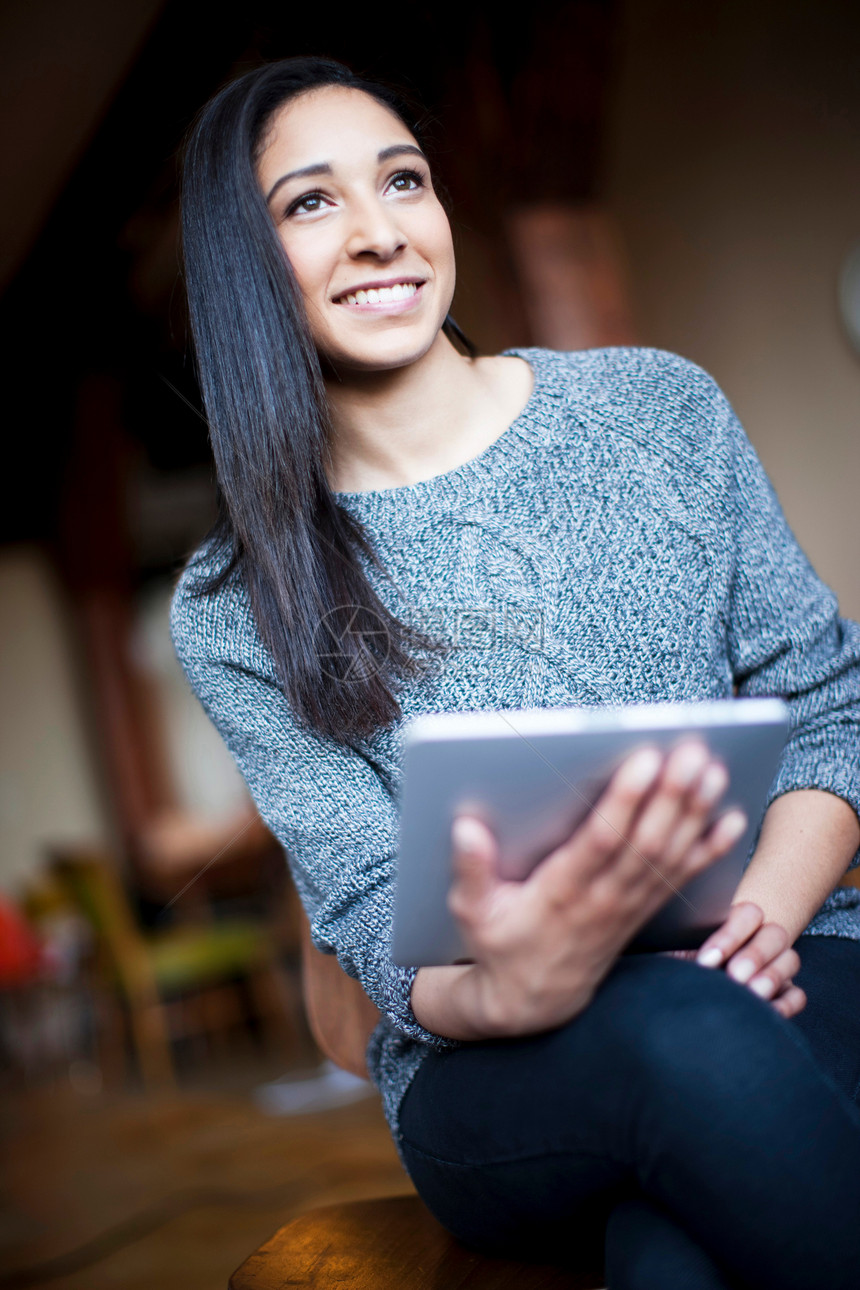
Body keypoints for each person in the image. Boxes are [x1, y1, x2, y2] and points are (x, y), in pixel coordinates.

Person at [169, 55, 860, 1288]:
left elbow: (827, 706)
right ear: (239, 266)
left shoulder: (657, 410)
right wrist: (512, 986)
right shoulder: (233, 604)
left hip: (794, 953)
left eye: (403, 180)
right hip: (492, 1071)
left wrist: (757, 922)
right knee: (686, 1040)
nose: (381, 232)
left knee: (673, 1256)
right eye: (311, 203)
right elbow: (375, 917)